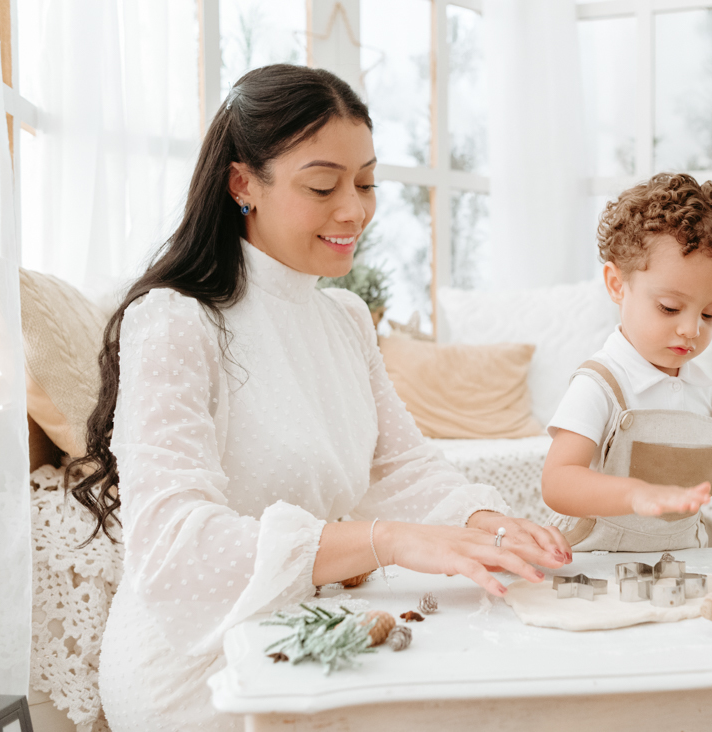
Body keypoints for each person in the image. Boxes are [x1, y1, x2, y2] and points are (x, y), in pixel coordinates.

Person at [67, 64, 570, 732]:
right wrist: (386, 541)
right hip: (195, 670)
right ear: (242, 183)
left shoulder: (344, 319)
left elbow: (402, 466)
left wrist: (488, 524)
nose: (354, 209)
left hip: (308, 627)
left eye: (365, 182)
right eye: (324, 184)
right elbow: (179, 550)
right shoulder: (173, 322)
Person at [541, 173, 712, 552]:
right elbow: (557, 483)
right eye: (669, 308)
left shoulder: (701, 391)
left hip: (680, 563)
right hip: (596, 566)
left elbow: (707, 472)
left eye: (710, 315)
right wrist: (634, 495)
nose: (691, 329)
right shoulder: (600, 384)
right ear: (616, 284)